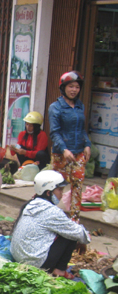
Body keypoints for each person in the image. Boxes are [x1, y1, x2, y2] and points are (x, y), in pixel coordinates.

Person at [11, 170, 91, 278]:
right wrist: (83, 239)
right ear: (48, 193)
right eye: (59, 190)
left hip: (19, 257)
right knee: (70, 234)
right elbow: (79, 233)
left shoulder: (32, 204)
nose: (62, 194)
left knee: (67, 229)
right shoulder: (51, 211)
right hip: (35, 263)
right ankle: (60, 270)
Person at [48, 71, 91, 222]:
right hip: (61, 155)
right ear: (63, 87)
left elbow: (82, 129)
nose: (74, 90)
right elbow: (54, 133)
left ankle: (74, 220)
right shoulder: (55, 108)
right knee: (56, 187)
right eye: (71, 86)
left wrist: (87, 144)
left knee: (77, 187)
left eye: (77, 87)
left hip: (78, 153)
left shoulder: (80, 106)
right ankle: (50, 217)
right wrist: (64, 149)